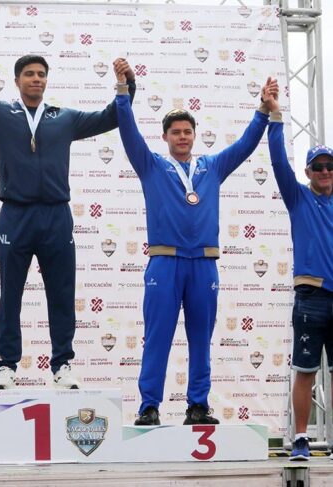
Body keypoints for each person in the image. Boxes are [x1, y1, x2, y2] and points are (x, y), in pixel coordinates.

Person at [0, 28, 136, 389]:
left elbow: (111, 117)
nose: (36, 79)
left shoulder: (64, 117)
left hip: (56, 216)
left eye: (41, 74)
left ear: (47, 80)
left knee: (62, 292)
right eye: (29, 74)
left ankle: (62, 364)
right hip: (15, 215)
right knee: (10, 293)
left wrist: (126, 84)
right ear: (17, 81)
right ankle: (6, 365)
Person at [114, 59, 278, 425]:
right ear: (165, 137)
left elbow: (245, 145)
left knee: (201, 339)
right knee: (157, 337)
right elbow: (127, 131)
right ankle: (149, 406)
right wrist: (123, 91)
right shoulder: (151, 165)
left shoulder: (212, 167)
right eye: (175, 132)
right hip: (164, 262)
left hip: (204, 263)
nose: (183, 137)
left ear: (194, 134)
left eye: (187, 131)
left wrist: (263, 110)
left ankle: (198, 405)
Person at [267, 98, 333, 460]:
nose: (325, 171)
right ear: (308, 172)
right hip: (311, 296)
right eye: (318, 167)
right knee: (305, 371)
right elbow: (279, 162)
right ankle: (302, 438)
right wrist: (275, 117)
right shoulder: (299, 198)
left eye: (330, 166)